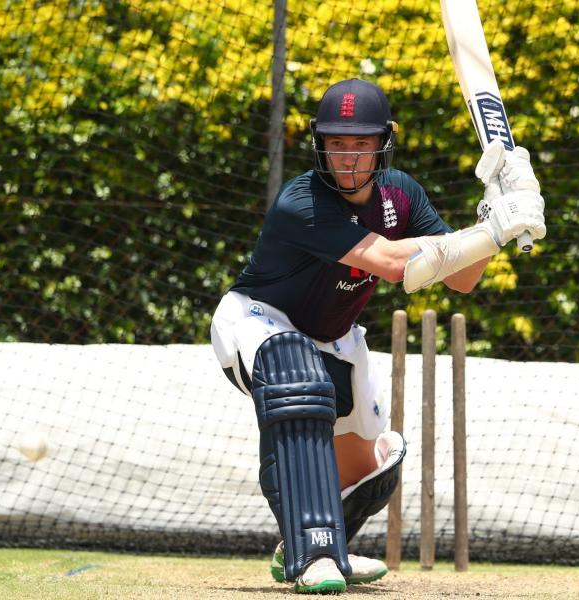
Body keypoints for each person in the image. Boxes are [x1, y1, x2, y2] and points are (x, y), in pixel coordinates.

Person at [210, 78, 545, 594]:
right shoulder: (302, 201)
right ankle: (314, 553)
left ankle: (312, 542)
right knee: (300, 380)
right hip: (258, 321)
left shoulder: (402, 193)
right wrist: (495, 229)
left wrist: (493, 208)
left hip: (337, 337)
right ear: (320, 145)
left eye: (361, 144)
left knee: (379, 464)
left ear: (383, 142)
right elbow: (393, 264)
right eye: (337, 144)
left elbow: (462, 277)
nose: (348, 157)